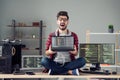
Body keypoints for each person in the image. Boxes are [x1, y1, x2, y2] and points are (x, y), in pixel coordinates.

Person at [41, 11, 86, 75]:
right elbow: (47, 53)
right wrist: (50, 51)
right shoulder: (52, 35)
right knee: (44, 61)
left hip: (69, 63)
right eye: (60, 19)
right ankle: (69, 71)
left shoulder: (74, 35)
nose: (62, 21)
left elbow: (76, 53)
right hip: (55, 62)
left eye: (65, 20)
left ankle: (55, 71)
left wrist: (74, 52)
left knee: (82, 61)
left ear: (68, 22)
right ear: (57, 21)